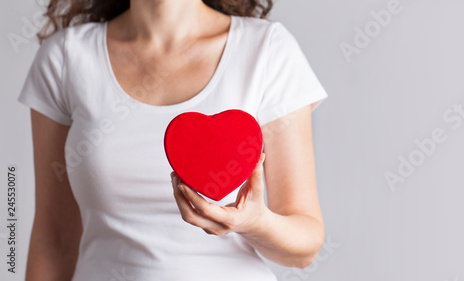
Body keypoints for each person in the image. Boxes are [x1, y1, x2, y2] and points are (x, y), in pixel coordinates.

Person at [17, 0, 328, 280]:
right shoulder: (65, 58)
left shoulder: (267, 50)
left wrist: (254, 223)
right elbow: (54, 241)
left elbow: (304, 249)